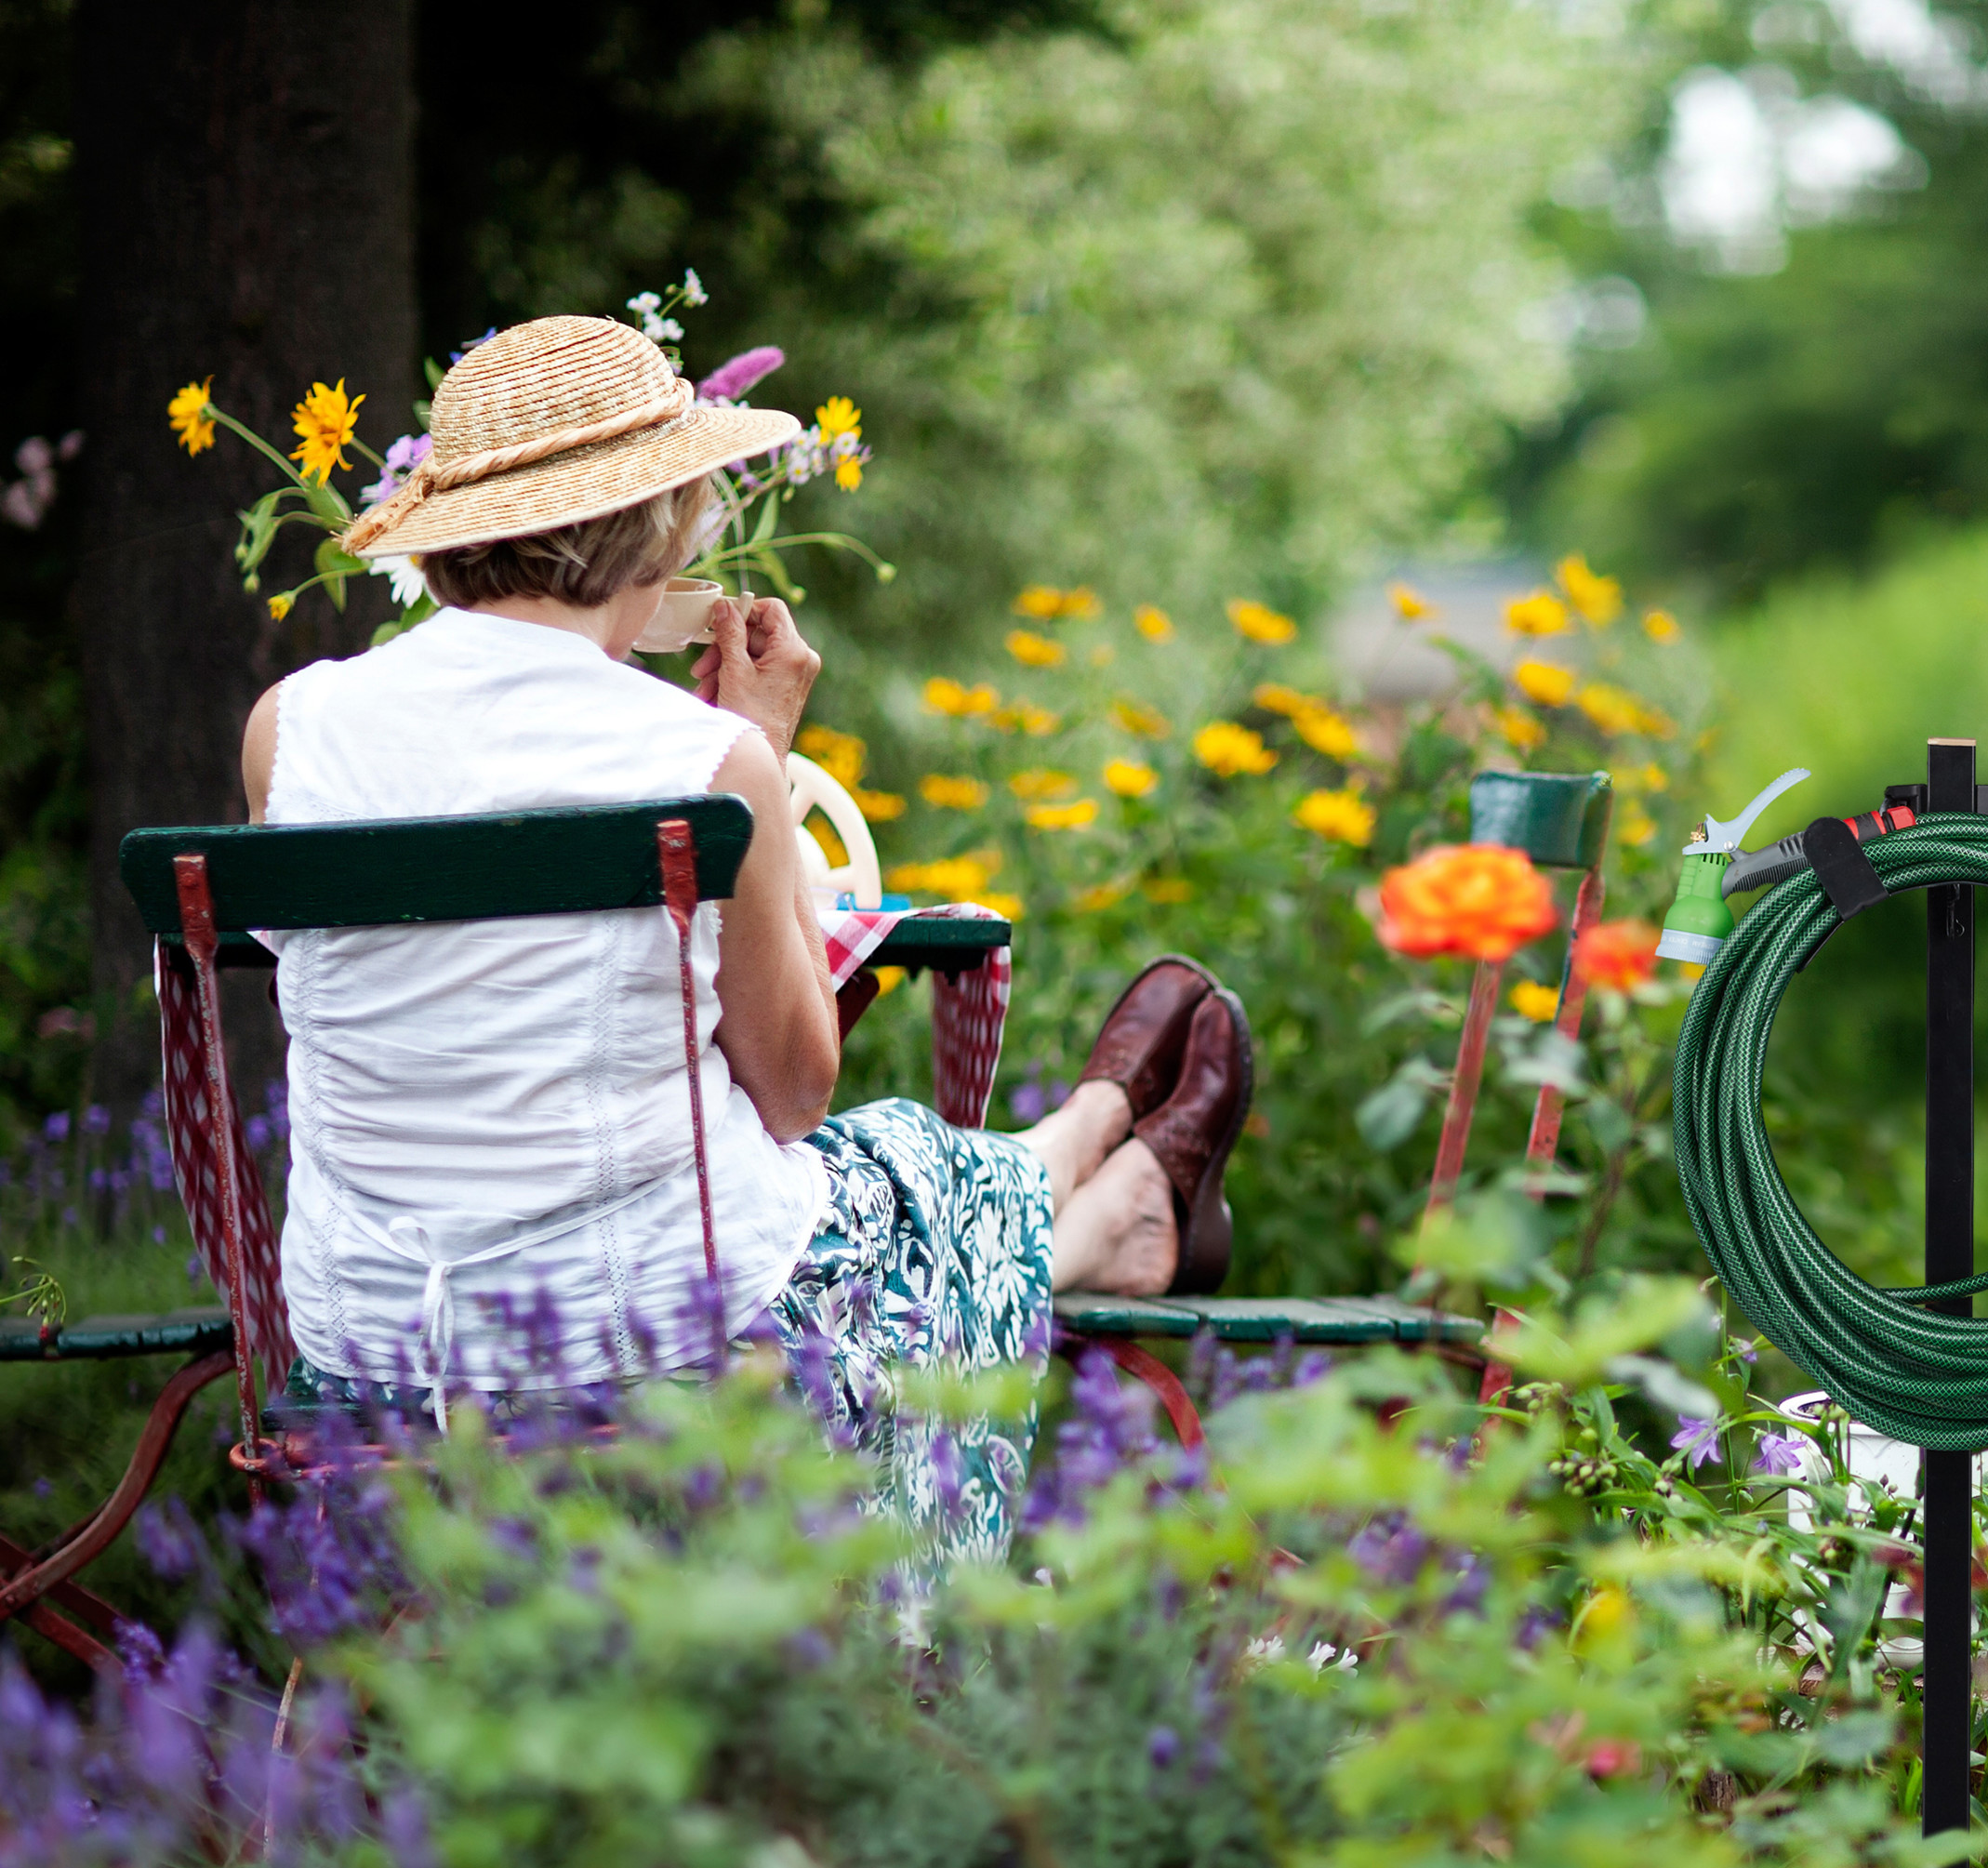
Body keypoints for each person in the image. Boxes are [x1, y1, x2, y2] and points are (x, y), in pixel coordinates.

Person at [248, 313, 1251, 1566]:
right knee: (896, 1162)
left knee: (884, 1173)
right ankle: (1099, 1186)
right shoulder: (702, 760)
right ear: (662, 530)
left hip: (375, 1338)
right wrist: (757, 763)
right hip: (648, 1329)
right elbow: (788, 1092)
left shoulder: (291, 727)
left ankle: (1105, 1177)